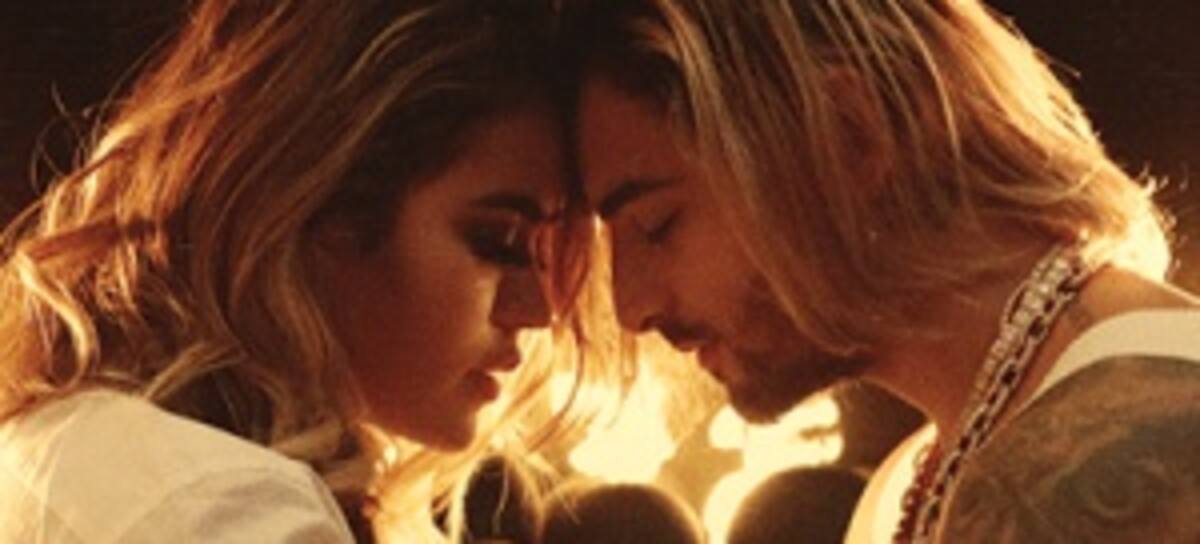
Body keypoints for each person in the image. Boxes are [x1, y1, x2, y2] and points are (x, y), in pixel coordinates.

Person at [563, 0, 1200, 541]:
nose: (630, 306)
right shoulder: (908, 488)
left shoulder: (1123, 441)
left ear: (849, 136)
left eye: (657, 224)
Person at [0, 0, 598, 542]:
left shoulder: (94, 447)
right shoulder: (215, 507)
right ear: (325, 209)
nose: (538, 310)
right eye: (499, 243)